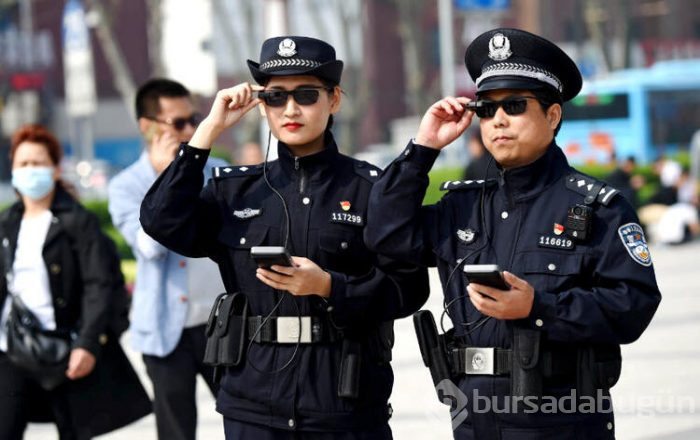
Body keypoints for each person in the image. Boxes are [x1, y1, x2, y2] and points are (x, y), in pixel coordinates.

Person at [365, 28, 661, 439]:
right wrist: (423, 149)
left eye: (515, 105)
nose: (498, 120)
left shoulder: (597, 207)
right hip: (473, 420)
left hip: (563, 419)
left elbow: (633, 307)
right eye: (486, 109)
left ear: (552, 115)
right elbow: (384, 235)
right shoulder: (462, 206)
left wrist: (537, 307)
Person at [140, 36, 429, 438]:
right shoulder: (235, 191)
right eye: (276, 97)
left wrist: (331, 287)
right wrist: (207, 131)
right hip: (254, 405)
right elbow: (160, 220)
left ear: (334, 100)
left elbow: (408, 288)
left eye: (307, 95)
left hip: (343, 402)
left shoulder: (370, 189)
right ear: (262, 106)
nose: (290, 109)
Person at [0, 124, 151, 440]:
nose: (30, 171)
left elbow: (100, 285)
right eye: (23, 164)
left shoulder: (78, 222)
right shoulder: (7, 224)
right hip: (12, 348)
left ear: (55, 170)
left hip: (66, 349)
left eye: (38, 163)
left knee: (74, 431)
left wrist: (87, 343)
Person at [107, 78, 228, 440]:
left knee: (246, 420)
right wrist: (167, 178)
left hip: (221, 325)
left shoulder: (219, 172)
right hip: (163, 330)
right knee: (175, 431)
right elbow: (149, 247)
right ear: (148, 127)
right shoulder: (127, 185)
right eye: (179, 123)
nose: (191, 129)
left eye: (194, 119)